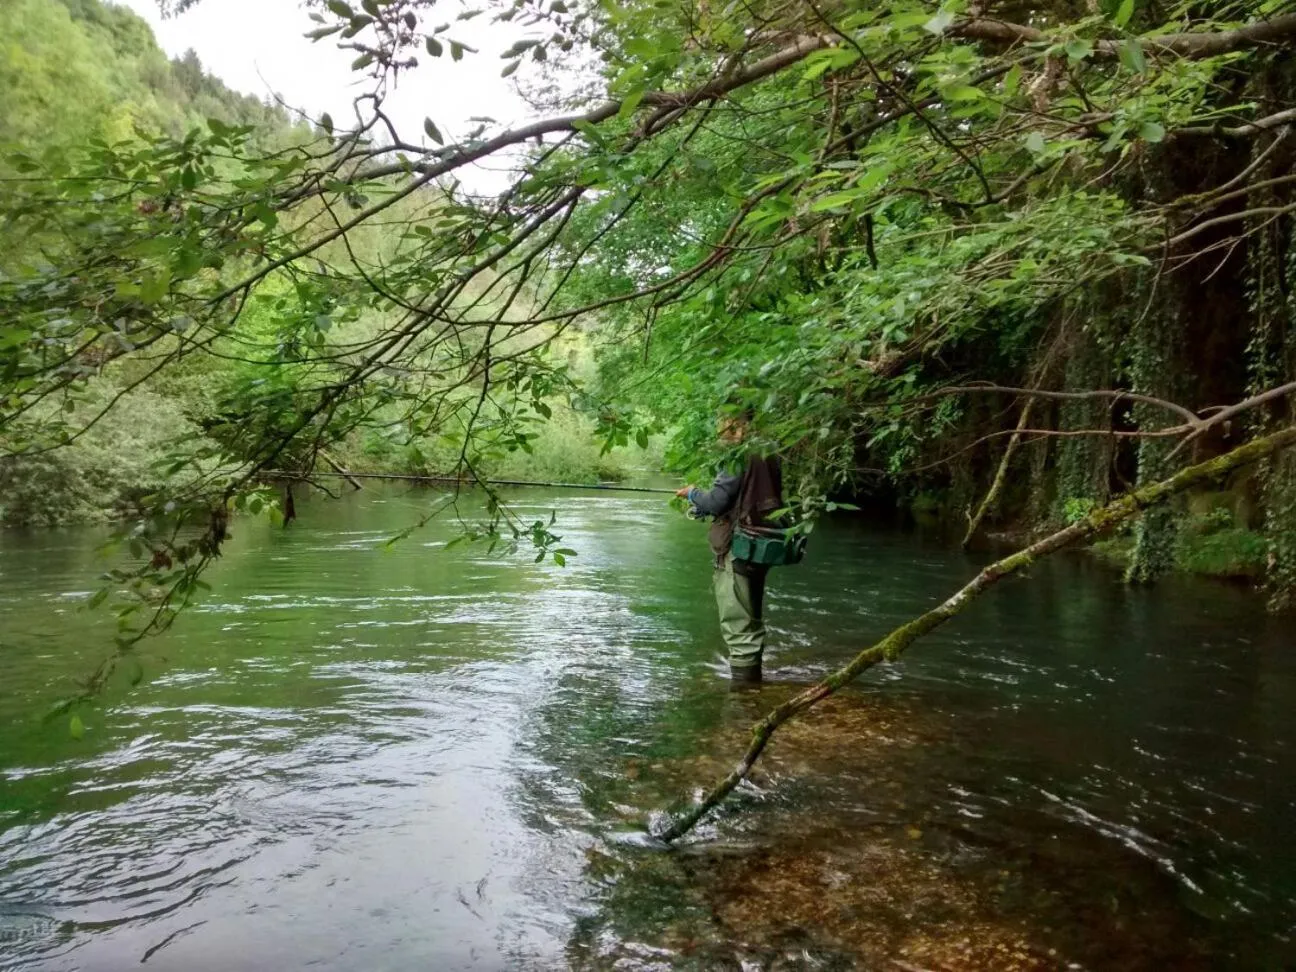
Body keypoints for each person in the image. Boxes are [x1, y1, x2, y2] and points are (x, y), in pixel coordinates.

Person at [676, 409, 784, 684]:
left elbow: (716, 502)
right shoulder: (769, 451)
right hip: (763, 542)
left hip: (739, 545)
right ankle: (753, 687)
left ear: (735, 423)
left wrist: (693, 494)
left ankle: (744, 698)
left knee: (738, 624)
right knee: (751, 617)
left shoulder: (739, 455)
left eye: (722, 421)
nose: (719, 427)